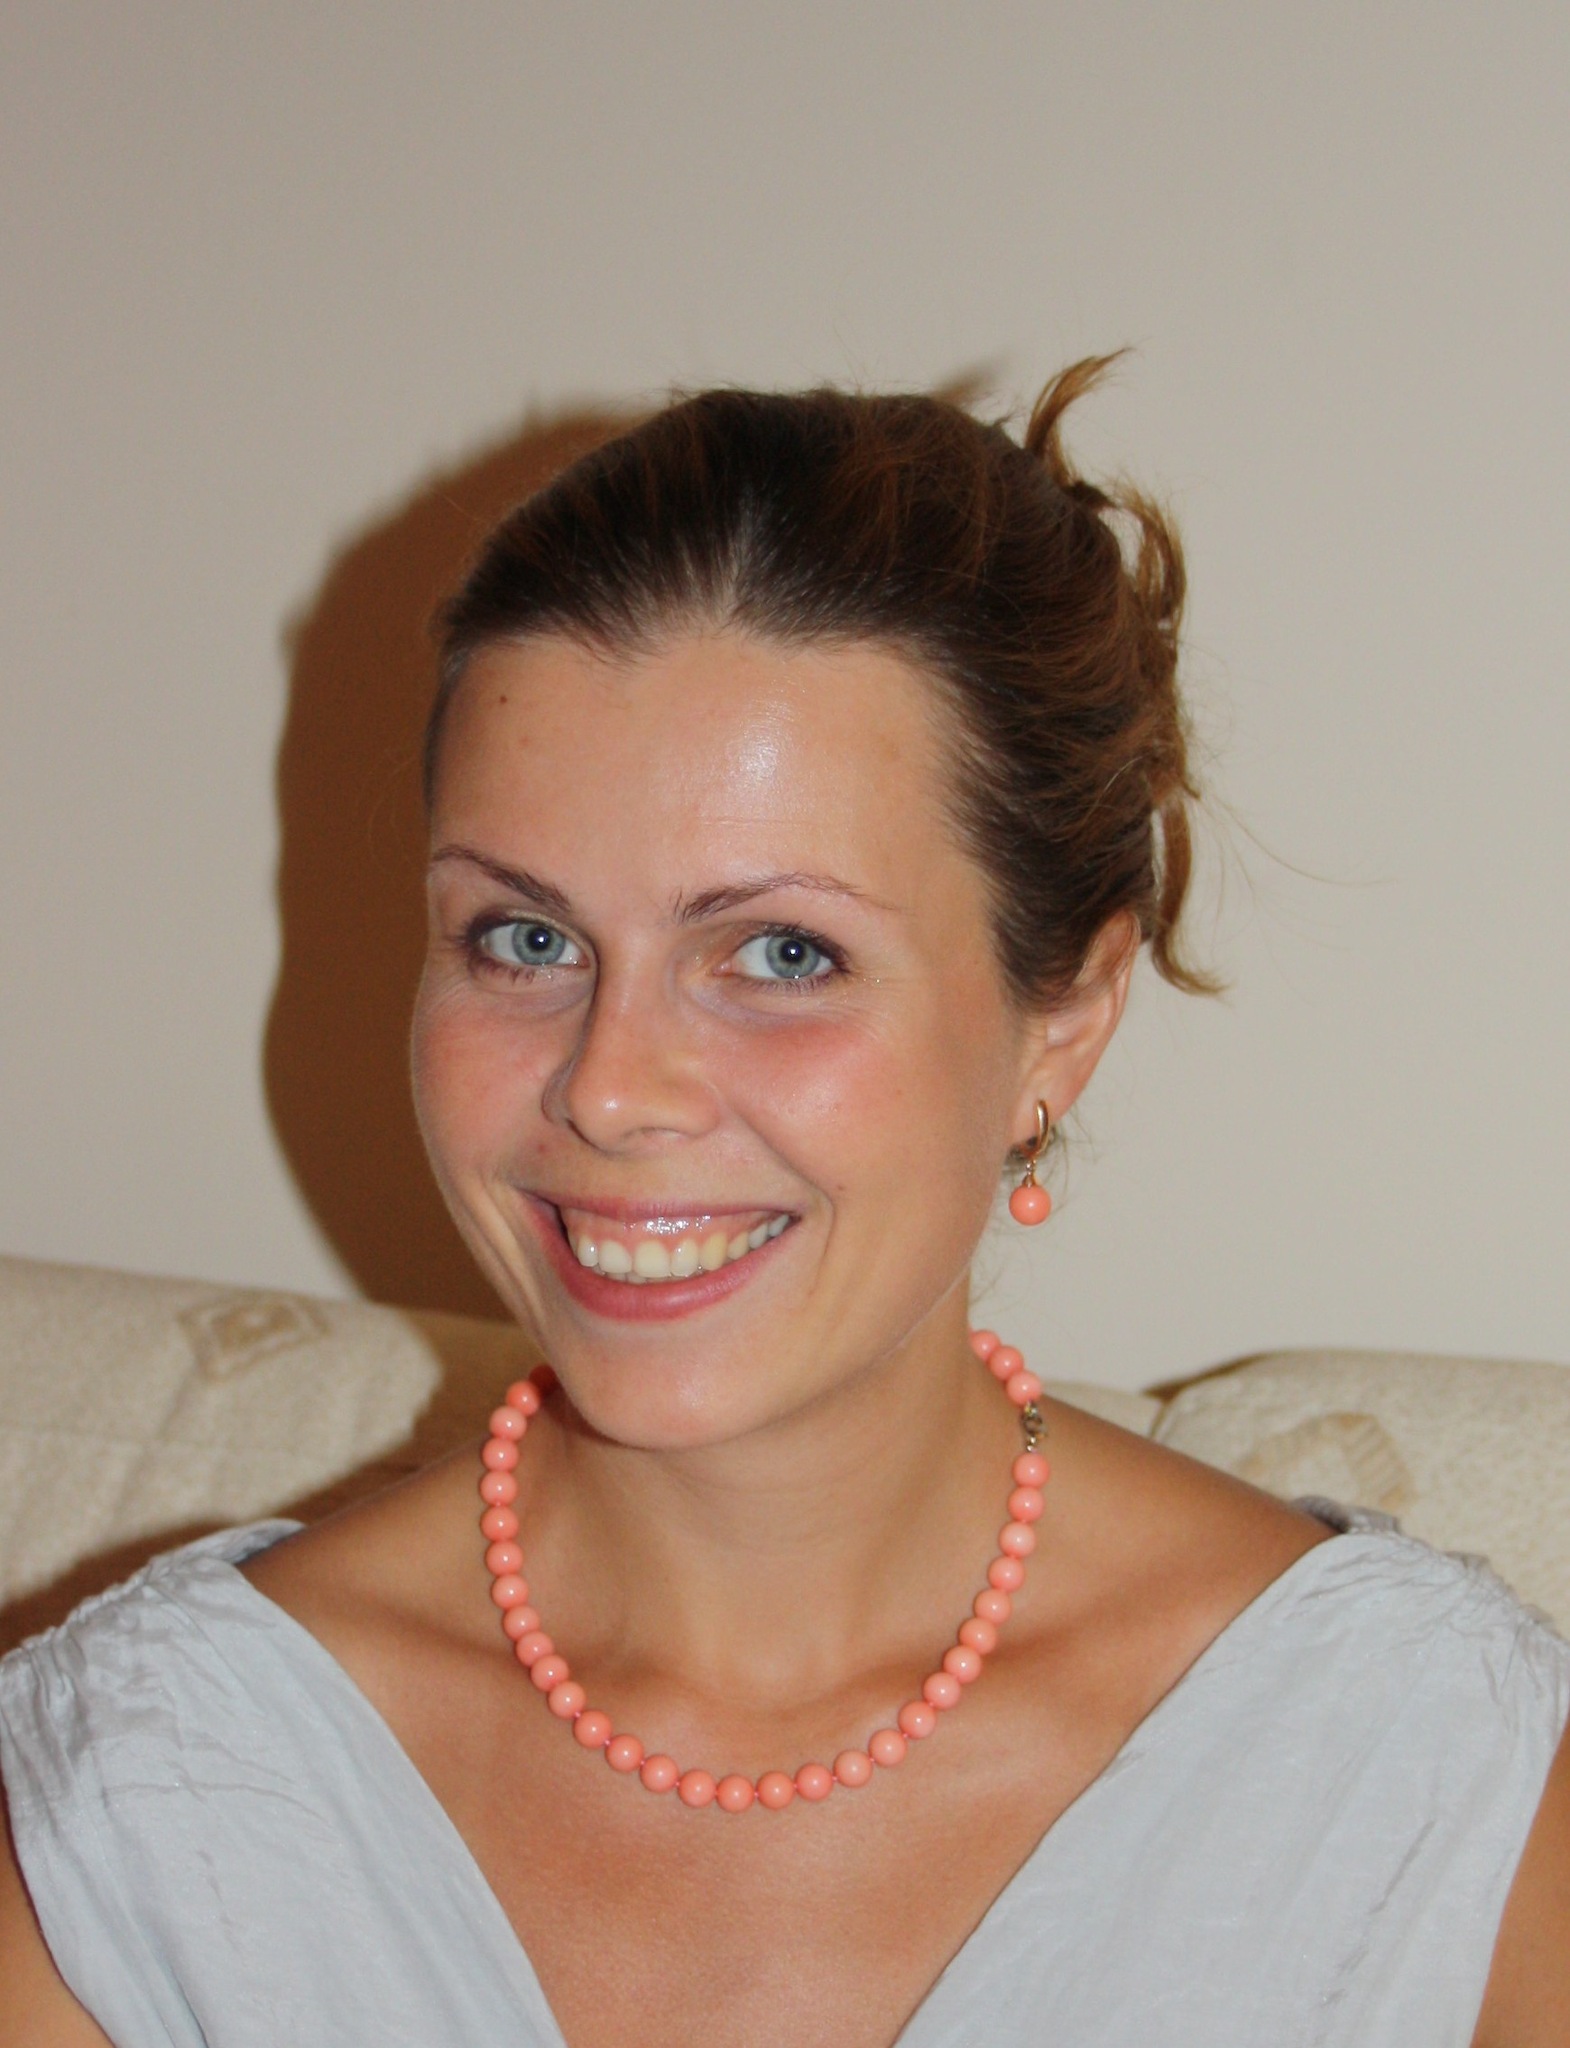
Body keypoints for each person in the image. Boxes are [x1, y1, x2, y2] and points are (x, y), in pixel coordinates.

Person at [1, 362, 1566, 2048]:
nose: (610, 1087)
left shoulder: (1415, 1779)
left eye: (782, 953)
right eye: (524, 939)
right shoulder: (155, 1793)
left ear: (1061, 1018)